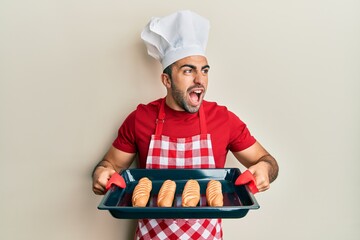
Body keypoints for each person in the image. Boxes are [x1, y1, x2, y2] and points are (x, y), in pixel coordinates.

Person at [92, 10, 279, 240]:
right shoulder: (140, 118)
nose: (200, 80)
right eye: (188, 70)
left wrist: (266, 171)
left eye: (204, 70)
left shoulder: (223, 119)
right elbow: (109, 164)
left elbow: (267, 161)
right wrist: (101, 173)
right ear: (167, 80)